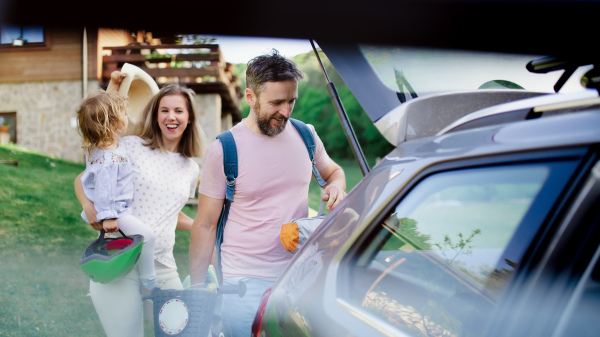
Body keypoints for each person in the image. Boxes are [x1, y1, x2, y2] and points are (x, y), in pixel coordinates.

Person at [189, 49, 347, 337]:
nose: (286, 112)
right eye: (276, 103)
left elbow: (334, 173)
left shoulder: (306, 135)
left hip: (301, 276)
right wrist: (198, 290)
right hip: (244, 285)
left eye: (291, 102)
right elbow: (205, 224)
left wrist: (336, 186)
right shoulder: (224, 149)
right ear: (250, 97)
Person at [74, 78, 205, 337]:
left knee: (185, 333)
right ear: (155, 116)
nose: (171, 117)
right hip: (121, 261)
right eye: (164, 110)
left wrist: (202, 225)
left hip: (163, 266)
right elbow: (84, 177)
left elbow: (170, 211)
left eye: (179, 111)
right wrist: (90, 208)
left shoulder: (191, 168)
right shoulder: (132, 146)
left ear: (189, 118)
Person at [76, 73, 157, 290]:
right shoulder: (109, 159)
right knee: (148, 237)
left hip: (114, 210)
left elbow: (102, 107)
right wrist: (109, 217)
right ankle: (149, 279)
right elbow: (105, 190)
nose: (127, 116)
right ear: (112, 123)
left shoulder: (100, 144)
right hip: (116, 211)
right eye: (124, 113)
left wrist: (113, 85)